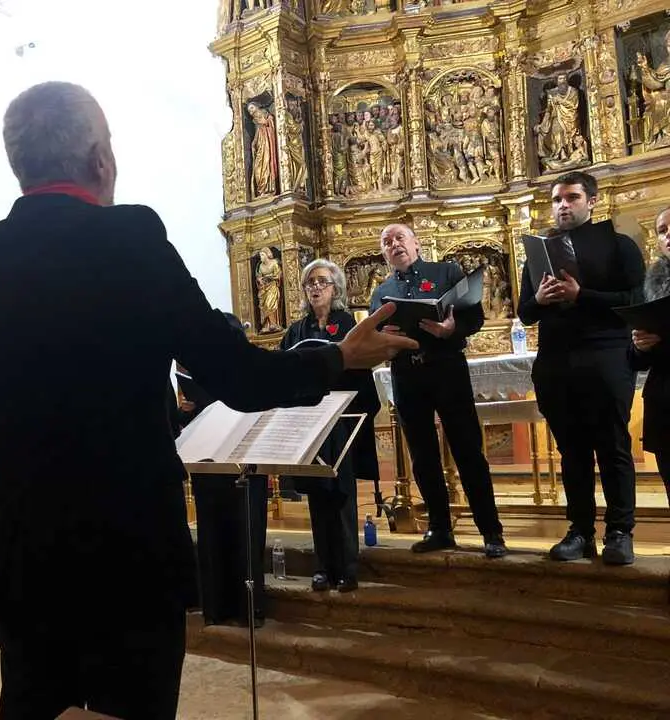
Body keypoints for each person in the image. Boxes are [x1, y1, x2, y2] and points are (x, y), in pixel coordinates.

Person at [0, 81, 417, 720]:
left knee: (33, 701)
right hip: (125, 542)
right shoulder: (131, 238)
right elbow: (238, 377)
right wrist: (339, 356)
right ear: (100, 161)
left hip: (22, 544)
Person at [518, 170, 645, 565]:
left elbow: (634, 300)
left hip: (605, 355)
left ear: (591, 201)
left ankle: (620, 531)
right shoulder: (539, 252)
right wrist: (538, 297)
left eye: (571, 198)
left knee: (612, 446)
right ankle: (580, 531)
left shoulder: (619, 245)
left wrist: (582, 294)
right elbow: (525, 314)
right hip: (556, 361)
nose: (562, 205)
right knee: (571, 452)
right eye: (557, 199)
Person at [370, 223, 506, 559]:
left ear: (415, 243)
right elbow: (373, 336)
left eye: (399, 237)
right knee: (422, 455)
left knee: (468, 449)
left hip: (446, 367)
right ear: (384, 253)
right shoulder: (381, 292)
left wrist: (451, 328)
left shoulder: (445, 272)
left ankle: (491, 531)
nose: (394, 244)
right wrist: (383, 332)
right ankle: (440, 529)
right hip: (406, 374)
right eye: (387, 242)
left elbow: (474, 317)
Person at [280, 260, 382, 592]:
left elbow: (358, 366)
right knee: (317, 494)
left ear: (335, 288)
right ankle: (323, 566)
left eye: (322, 281)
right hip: (310, 420)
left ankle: (348, 566)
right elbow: (286, 368)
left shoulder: (347, 323)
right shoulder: (297, 330)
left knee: (342, 493)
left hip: (341, 418)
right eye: (310, 282)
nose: (315, 287)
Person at [174, 312, 269, 627]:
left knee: (246, 530)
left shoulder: (248, 368)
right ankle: (216, 606)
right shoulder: (195, 373)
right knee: (212, 529)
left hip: (243, 454)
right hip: (208, 456)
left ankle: (248, 608)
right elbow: (189, 418)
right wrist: (186, 411)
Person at [629, 206, 670, 505]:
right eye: (663, 231)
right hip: (666, 397)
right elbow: (639, 360)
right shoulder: (651, 284)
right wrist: (640, 346)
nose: (669, 236)